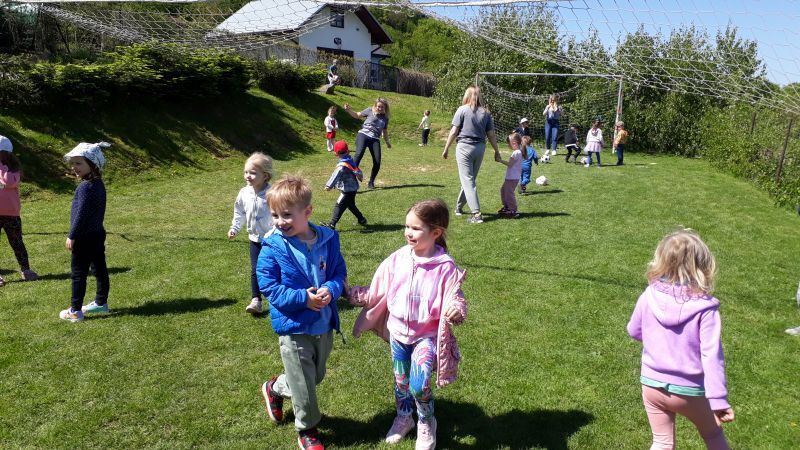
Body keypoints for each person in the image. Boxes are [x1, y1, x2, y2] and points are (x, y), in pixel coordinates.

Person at [347, 199, 468, 450]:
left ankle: (426, 421)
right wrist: (354, 294)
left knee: (418, 385)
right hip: (398, 333)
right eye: (407, 226)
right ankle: (404, 417)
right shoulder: (398, 259)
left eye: (415, 228)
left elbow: (455, 296)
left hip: (426, 336)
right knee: (401, 380)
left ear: (436, 233)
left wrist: (456, 310)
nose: (408, 233)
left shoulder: (445, 266)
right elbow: (378, 289)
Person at [257, 175, 346, 450]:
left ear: (307, 212)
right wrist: (302, 299)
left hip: (324, 323)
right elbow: (268, 286)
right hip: (293, 325)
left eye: (287, 215)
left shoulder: (328, 239)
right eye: (275, 215)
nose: (280, 221)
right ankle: (307, 429)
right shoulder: (273, 246)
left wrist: (331, 288)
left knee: (314, 377)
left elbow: (338, 272)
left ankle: (274, 388)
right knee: (304, 386)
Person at [627, 229, 734, 450]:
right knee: (713, 434)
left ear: (661, 261)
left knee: (662, 442)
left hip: (652, 384)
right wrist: (718, 400)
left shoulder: (648, 295)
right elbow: (711, 355)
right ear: (703, 265)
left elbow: (634, 331)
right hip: (690, 390)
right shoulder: (705, 308)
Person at [59, 142, 111, 322]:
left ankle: (75, 311)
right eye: (73, 163)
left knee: (78, 274)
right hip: (97, 233)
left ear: (93, 164)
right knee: (99, 269)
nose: (74, 167)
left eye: (79, 163)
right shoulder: (98, 184)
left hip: (84, 237)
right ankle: (101, 303)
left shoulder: (85, 187)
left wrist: (72, 235)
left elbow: (81, 214)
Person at [442, 85, 501, 224]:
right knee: (469, 180)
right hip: (479, 148)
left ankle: (476, 214)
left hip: (464, 148)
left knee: (468, 180)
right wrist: (496, 151)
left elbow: (454, 131)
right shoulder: (486, 113)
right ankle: (459, 207)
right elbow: (491, 135)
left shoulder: (462, 110)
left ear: (467, 95)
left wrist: (446, 148)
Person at [228, 152, 274, 316]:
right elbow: (239, 212)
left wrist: (276, 230)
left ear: (265, 175)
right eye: (246, 172)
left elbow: (279, 214)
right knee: (255, 269)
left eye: (253, 173)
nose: (248, 176)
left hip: (273, 240)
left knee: (275, 269)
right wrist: (234, 228)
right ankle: (256, 300)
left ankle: (280, 299)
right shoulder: (244, 193)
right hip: (255, 239)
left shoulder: (272, 193)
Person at [0, 135, 38, 287]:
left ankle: (26, 270)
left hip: (11, 213)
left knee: (17, 242)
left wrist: (2, 168)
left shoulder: (13, 170)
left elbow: (8, 182)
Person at [343, 97, 392, 189]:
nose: (380, 108)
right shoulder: (369, 110)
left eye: (382, 107)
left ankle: (371, 182)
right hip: (363, 135)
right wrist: (349, 110)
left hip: (375, 139)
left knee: (377, 161)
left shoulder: (385, 118)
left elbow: (384, 131)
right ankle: (350, 179)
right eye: (378, 106)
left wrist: (387, 142)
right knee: (359, 154)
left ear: (385, 107)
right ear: (375, 105)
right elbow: (357, 115)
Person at [320, 140, 366, 230]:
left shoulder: (341, 166)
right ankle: (362, 219)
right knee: (351, 205)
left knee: (339, 205)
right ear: (347, 151)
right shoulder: (350, 160)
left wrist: (329, 186)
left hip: (347, 190)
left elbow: (335, 176)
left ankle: (332, 224)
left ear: (336, 153)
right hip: (353, 188)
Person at [496, 133, 524, 218]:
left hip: (512, 178)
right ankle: (507, 207)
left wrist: (500, 160)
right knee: (503, 190)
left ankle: (513, 210)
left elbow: (510, 164)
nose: (508, 145)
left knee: (509, 193)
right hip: (511, 177)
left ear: (514, 143)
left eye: (509, 143)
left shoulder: (516, 153)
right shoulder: (518, 152)